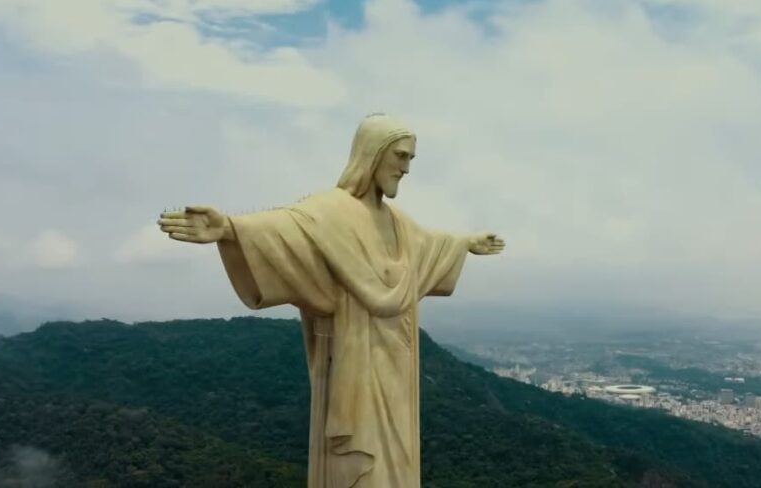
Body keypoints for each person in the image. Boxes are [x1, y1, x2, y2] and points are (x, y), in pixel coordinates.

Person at [157, 113, 504, 487]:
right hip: (352, 369)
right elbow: (284, 231)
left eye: (410, 159)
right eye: (401, 156)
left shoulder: (399, 223)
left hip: (397, 370)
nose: (406, 169)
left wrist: (466, 243)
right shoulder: (327, 212)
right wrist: (229, 228)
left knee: (397, 469)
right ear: (373, 154)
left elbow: (429, 247)